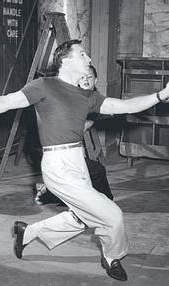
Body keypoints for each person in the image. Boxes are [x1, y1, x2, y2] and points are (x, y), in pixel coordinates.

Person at [0, 39, 169, 281]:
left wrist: (161, 95)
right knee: (112, 215)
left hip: (78, 159)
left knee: (81, 217)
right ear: (66, 60)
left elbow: (126, 106)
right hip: (57, 164)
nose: (89, 58)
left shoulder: (88, 96)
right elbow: (4, 103)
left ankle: (26, 232)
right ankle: (112, 257)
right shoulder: (44, 85)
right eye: (83, 54)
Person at [34, 65, 114, 205]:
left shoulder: (94, 97)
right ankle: (105, 204)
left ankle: (48, 193)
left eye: (90, 77)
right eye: (82, 77)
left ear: (96, 80)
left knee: (83, 179)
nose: (86, 80)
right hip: (56, 152)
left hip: (70, 151)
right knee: (95, 171)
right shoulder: (68, 97)